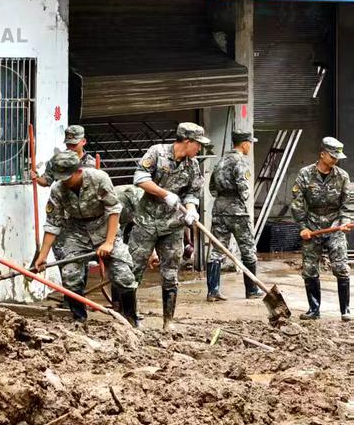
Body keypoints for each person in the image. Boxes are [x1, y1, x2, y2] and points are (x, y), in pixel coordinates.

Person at [32, 151, 138, 326]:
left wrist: (109, 243)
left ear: (78, 171)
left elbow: (113, 210)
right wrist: (42, 256)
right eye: (60, 178)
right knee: (70, 274)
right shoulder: (58, 189)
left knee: (124, 275)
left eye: (67, 177)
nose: (63, 181)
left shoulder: (99, 179)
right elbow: (52, 225)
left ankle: (131, 320)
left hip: (104, 226)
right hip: (76, 231)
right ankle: (79, 319)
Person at [128, 122, 208, 330]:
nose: (199, 149)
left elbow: (192, 192)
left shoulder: (193, 165)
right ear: (187, 141)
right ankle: (129, 319)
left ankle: (168, 322)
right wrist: (165, 194)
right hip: (146, 222)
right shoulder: (157, 152)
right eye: (198, 144)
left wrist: (191, 209)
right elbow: (140, 178)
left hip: (172, 225)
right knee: (132, 270)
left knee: (171, 272)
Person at [290, 137, 354, 321]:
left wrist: (344, 222)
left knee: (341, 267)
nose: (336, 160)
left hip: (335, 226)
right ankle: (314, 309)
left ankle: (345, 310)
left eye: (337, 157)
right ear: (322, 154)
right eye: (332, 156)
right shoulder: (305, 174)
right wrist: (302, 227)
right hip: (312, 225)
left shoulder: (342, 176)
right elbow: (297, 203)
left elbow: (346, 205)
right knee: (309, 269)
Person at [207, 130, 259, 302]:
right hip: (237, 211)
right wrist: (240, 202)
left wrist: (223, 199)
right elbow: (244, 189)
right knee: (248, 249)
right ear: (244, 143)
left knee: (217, 250)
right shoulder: (240, 162)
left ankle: (212, 291)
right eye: (250, 143)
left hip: (219, 208)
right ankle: (251, 290)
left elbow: (212, 188)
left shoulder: (220, 161)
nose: (250, 146)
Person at [32, 125, 96, 188]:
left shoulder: (92, 163)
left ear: (83, 141)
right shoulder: (58, 160)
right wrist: (37, 178)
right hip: (63, 197)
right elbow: (46, 180)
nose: (71, 148)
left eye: (74, 144)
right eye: (68, 144)